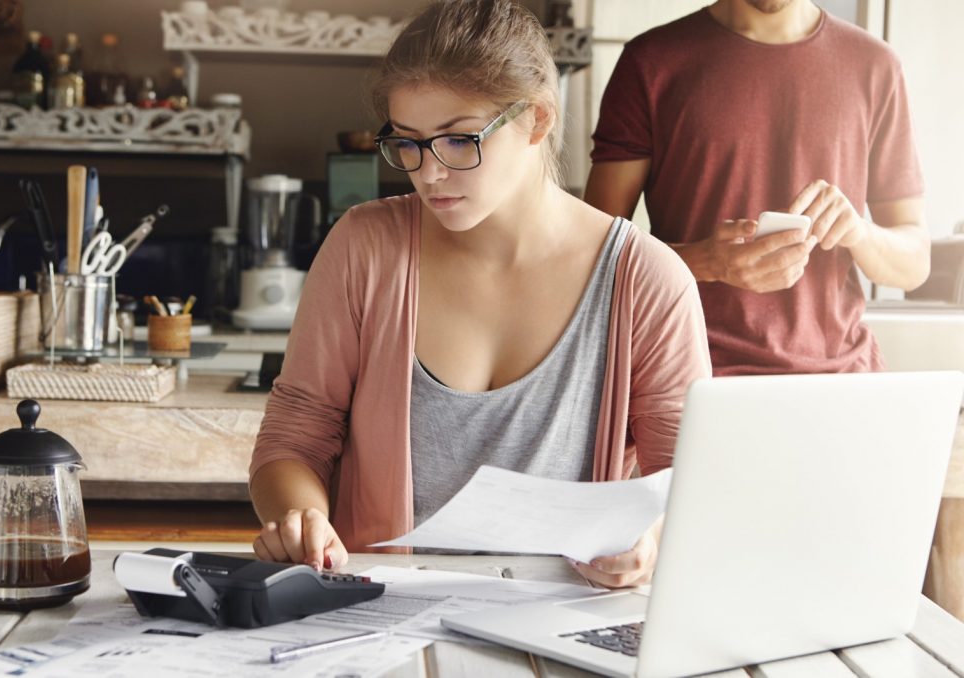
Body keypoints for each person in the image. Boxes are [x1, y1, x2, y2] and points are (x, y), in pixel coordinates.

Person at [249, 0, 711, 589]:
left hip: (562, 621)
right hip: (377, 614)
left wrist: (647, 542)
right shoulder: (363, 248)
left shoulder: (647, 279)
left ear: (538, 119)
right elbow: (294, 438)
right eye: (409, 143)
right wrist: (302, 517)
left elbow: (689, 482)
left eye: (459, 141)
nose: (429, 173)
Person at [585, 0, 930, 376]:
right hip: (691, 376)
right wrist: (706, 261)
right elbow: (596, 261)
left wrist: (859, 233)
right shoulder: (649, 63)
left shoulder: (877, 66)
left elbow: (914, 264)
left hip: (841, 382)